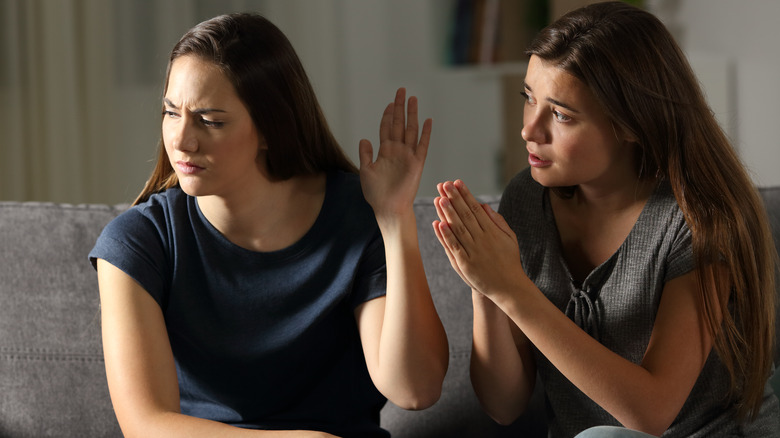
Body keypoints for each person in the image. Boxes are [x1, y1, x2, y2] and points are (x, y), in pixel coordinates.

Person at [89, 13, 448, 438]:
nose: (181, 140)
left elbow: (414, 390)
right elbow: (145, 426)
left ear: (270, 129)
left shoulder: (356, 214)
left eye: (210, 120)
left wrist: (395, 219)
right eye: (171, 112)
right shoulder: (139, 242)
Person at [432, 2, 779, 437]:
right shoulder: (526, 200)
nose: (530, 130)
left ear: (632, 123)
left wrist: (513, 289)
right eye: (528, 98)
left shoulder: (699, 218)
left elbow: (652, 413)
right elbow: (504, 406)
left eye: (560, 114)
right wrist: (485, 287)